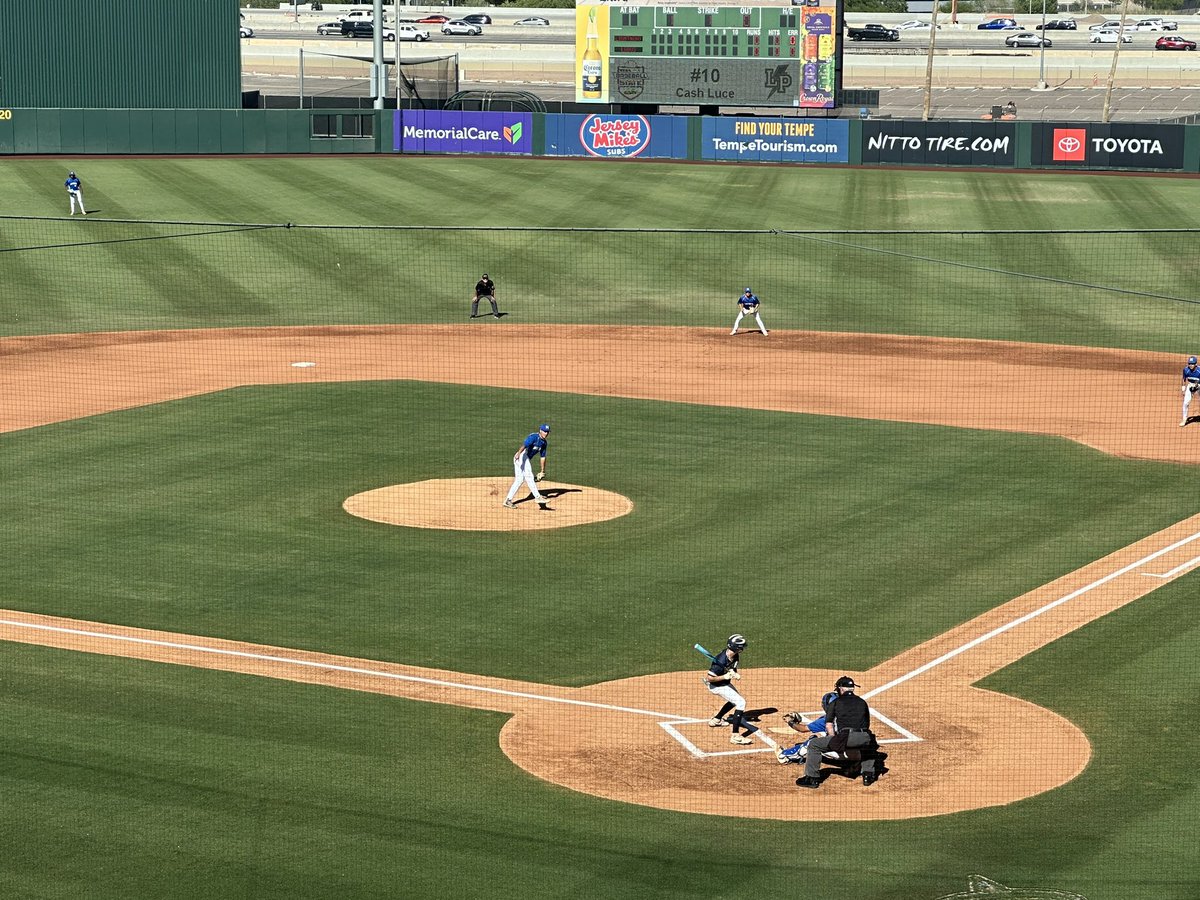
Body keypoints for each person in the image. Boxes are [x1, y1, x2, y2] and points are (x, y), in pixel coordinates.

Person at [796, 676, 885, 788]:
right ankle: (868, 775)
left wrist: (832, 739)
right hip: (864, 737)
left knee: (814, 745)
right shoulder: (862, 702)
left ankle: (812, 779)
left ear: (841, 689)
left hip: (847, 737)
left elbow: (829, 725)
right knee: (870, 743)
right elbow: (867, 725)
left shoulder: (836, 702)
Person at [704, 634, 763, 746]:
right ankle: (735, 736)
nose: (743, 648)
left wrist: (733, 673)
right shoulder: (721, 660)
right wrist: (725, 676)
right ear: (737, 647)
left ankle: (716, 719)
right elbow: (710, 678)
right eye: (741, 646)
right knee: (741, 702)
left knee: (734, 701)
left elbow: (732, 667)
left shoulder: (734, 655)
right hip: (717, 686)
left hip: (724, 684)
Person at [775, 691, 840, 764]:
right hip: (854, 751)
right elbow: (819, 725)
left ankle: (784, 756)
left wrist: (790, 722)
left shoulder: (826, 720)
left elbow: (802, 729)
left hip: (839, 753)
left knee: (812, 742)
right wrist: (802, 719)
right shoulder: (851, 715)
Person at [504, 424, 552, 509]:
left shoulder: (544, 443)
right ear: (540, 430)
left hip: (526, 459)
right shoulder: (534, 437)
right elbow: (524, 445)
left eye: (547, 432)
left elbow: (543, 457)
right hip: (521, 456)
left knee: (520, 480)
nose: (546, 433)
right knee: (529, 476)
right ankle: (537, 497)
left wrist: (542, 471)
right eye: (545, 431)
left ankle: (508, 500)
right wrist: (519, 453)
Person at [1180, 355, 1200, 427]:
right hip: (1190, 385)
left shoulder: (1199, 371)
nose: (1190, 365)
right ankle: (1184, 419)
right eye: (1189, 363)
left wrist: (1197, 385)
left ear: (1196, 364)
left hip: (1199, 386)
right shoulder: (1186, 370)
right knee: (1185, 403)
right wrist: (1183, 389)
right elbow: (1184, 379)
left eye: (1192, 364)